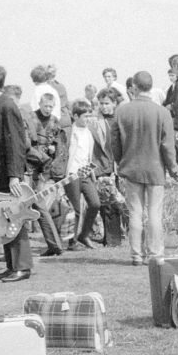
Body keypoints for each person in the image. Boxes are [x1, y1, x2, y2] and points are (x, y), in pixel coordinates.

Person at [110, 71, 178, 265]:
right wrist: (174, 170)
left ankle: (136, 255)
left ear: (134, 87)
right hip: (155, 169)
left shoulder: (122, 111)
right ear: (151, 86)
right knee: (155, 213)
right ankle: (155, 254)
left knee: (135, 213)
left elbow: (114, 142)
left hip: (131, 168)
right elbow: (168, 145)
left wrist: (120, 160)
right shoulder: (162, 112)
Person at [0, 71, 36, 282]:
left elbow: (16, 144)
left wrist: (15, 175)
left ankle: (22, 266)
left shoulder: (6, 106)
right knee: (6, 220)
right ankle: (12, 265)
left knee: (16, 217)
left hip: (7, 176)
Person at [61, 98, 113, 249]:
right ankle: (72, 242)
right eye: (85, 116)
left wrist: (91, 171)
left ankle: (84, 235)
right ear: (76, 117)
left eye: (89, 116)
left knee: (95, 203)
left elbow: (89, 154)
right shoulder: (70, 132)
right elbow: (64, 154)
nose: (88, 119)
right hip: (71, 174)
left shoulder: (89, 132)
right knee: (75, 209)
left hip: (85, 173)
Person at [23, 90, 67, 256]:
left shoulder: (55, 122)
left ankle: (53, 245)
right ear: (39, 104)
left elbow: (60, 149)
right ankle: (53, 245)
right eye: (45, 105)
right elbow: (27, 145)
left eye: (50, 106)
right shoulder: (30, 119)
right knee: (30, 207)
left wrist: (53, 150)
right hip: (29, 167)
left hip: (43, 170)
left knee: (38, 206)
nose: (47, 109)